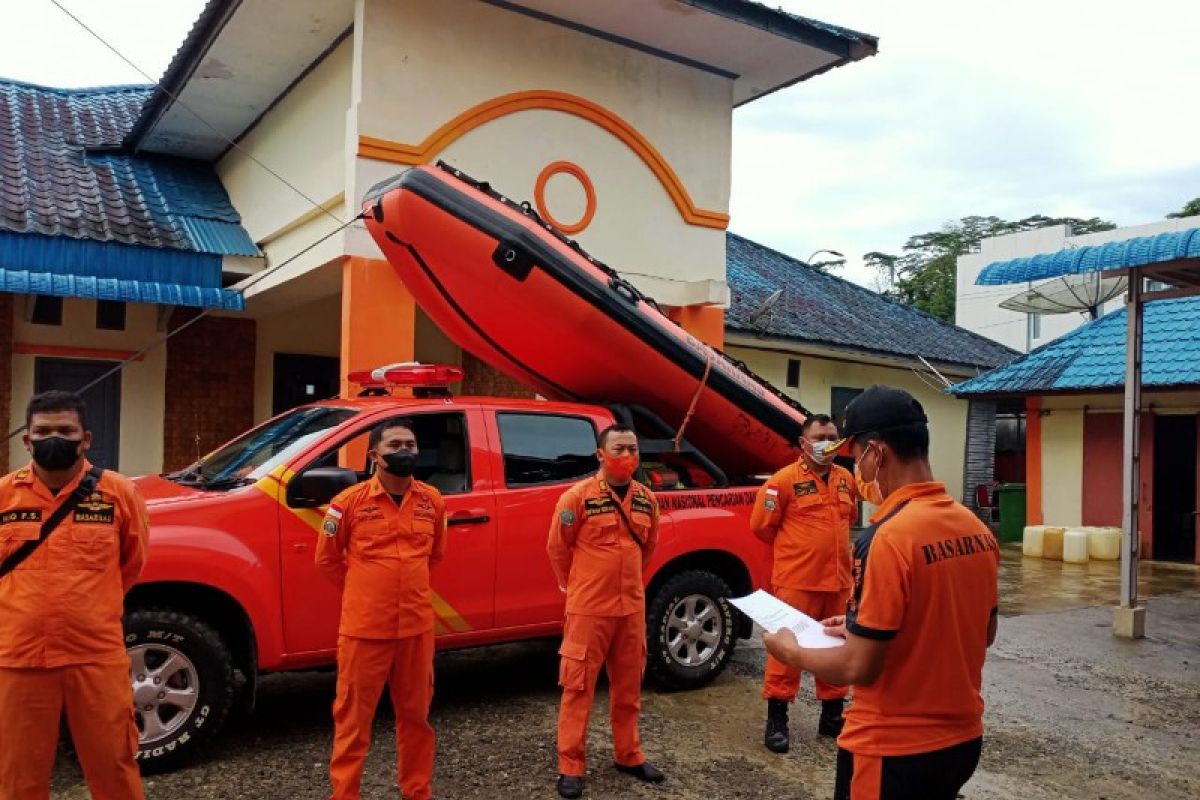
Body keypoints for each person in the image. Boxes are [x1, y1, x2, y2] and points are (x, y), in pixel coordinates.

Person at [763, 386, 1000, 800]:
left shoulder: (888, 539)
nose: (854, 467)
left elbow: (861, 667)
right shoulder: (976, 529)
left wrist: (792, 653)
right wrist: (860, 625)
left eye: (855, 455)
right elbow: (983, 631)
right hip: (962, 741)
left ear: (876, 453)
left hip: (893, 749)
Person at [0, 390, 148, 799]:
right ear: (26, 441)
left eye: (65, 430)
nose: (54, 438)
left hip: (95, 655)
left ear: (86, 439)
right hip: (19, 658)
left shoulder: (119, 493)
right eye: (43, 431)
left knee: (114, 769)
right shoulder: (3, 495)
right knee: (16, 777)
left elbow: (131, 566)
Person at [316, 418, 446, 800]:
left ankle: (417, 791)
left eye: (410, 443)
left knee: (416, 720)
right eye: (395, 445)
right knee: (352, 722)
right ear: (374, 454)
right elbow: (327, 561)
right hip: (364, 630)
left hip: (416, 629)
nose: (404, 451)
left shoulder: (432, 501)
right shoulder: (348, 503)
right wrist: (366, 591)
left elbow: (435, 556)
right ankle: (345, 794)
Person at [546, 424, 663, 799]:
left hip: (630, 609)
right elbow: (558, 550)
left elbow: (647, 550)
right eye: (618, 448)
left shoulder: (647, 500)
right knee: (578, 688)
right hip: (588, 610)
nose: (627, 455)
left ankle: (628, 754)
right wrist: (580, 586)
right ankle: (571, 765)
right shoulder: (576, 497)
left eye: (633, 448)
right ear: (600, 454)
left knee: (628, 689)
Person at [749, 413, 857, 752]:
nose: (827, 443)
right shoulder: (782, 481)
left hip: (838, 582)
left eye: (832, 436)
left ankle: (832, 718)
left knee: (836, 650)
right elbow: (762, 527)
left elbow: (850, 520)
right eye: (820, 437)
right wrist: (800, 552)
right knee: (786, 651)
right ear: (803, 443)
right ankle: (777, 720)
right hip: (797, 582)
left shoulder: (845, 479)